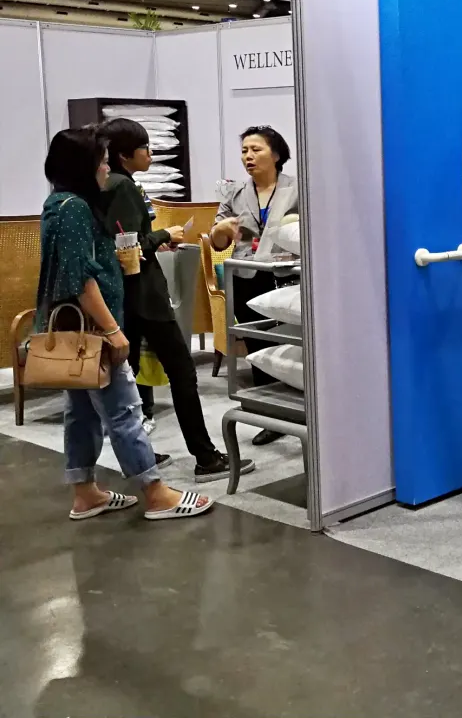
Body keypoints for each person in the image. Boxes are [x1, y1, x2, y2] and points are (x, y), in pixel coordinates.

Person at [38, 127, 213, 522]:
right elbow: (80, 279)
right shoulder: (75, 209)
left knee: (81, 411)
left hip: (75, 328)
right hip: (94, 328)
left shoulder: (58, 203)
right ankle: (155, 493)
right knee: (124, 410)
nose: (106, 168)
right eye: (101, 162)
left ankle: (85, 492)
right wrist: (112, 330)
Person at [99, 118, 253, 483]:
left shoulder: (110, 184)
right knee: (182, 373)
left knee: (126, 377)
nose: (151, 153)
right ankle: (206, 457)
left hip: (127, 298)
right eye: (145, 148)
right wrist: (163, 235)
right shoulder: (123, 186)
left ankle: (139, 455)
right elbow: (128, 248)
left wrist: (155, 241)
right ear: (125, 154)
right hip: (145, 298)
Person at [210, 126, 300, 447]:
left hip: (288, 277)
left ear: (276, 155)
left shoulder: (298, 188)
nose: (248, 156)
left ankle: (297, 406)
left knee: (290, 343)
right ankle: (269, 412)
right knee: (256, 343)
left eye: (256, 150)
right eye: (244, 150)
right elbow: (217, 242)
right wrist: (222, 230)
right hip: (247, 275)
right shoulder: (235, 194)